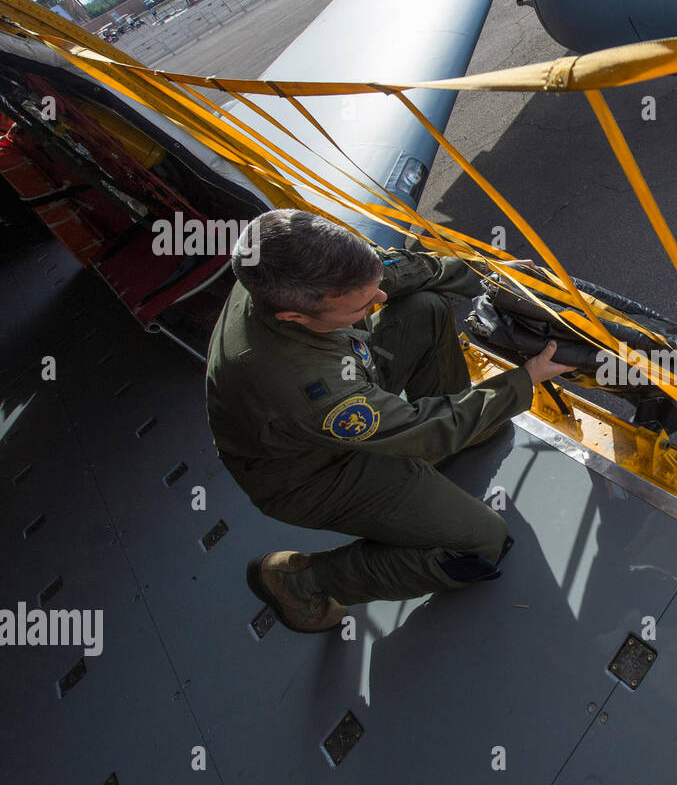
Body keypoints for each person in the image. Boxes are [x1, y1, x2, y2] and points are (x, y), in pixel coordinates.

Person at [205, 209, 571, 633]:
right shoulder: (307, 388)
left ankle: (467, 427)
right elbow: (422, 433)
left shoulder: (286, 258)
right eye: (363, 304)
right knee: (483, 543)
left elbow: (394, 272)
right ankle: (300, 583)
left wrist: (488, 276)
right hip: (317, 473)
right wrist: (522, 382)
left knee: (426, 307)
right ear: (296, 318)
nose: (379, 301)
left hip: (335, 383)